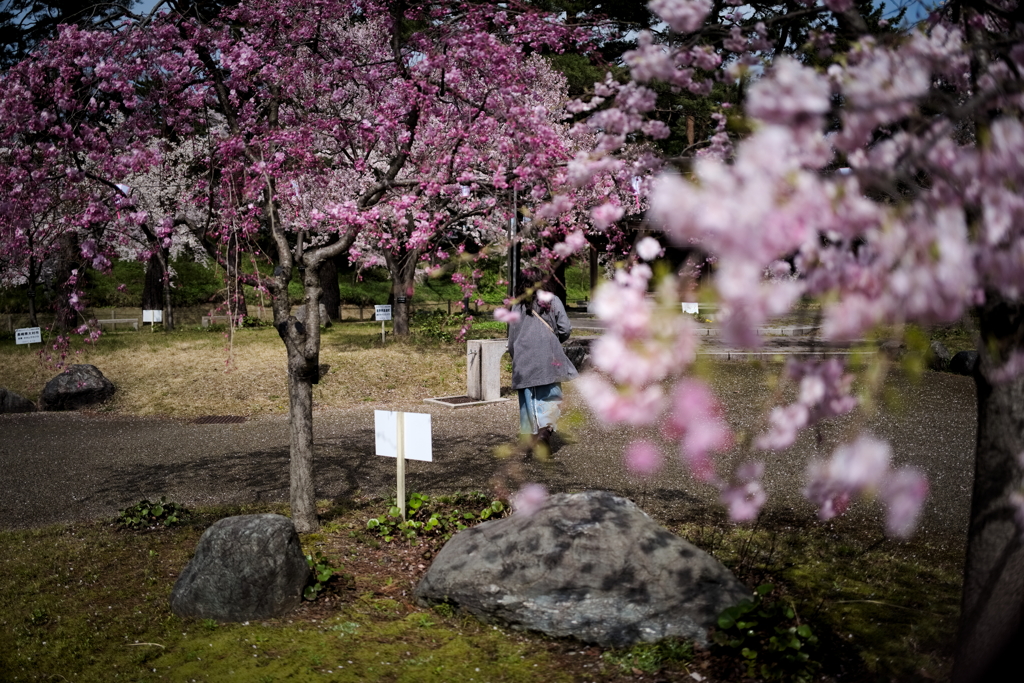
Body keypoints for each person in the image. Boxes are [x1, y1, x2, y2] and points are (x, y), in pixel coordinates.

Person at [506, 281, 578, 455]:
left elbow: (511, 337)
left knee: (527, 398)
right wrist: (554, 340)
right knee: (550, 394)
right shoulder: (552, 300)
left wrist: (515, 356)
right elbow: (565, 328)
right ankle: (544, 433)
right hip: (548, 355)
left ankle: (530, 440)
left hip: (523, 356)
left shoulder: (516, 305)